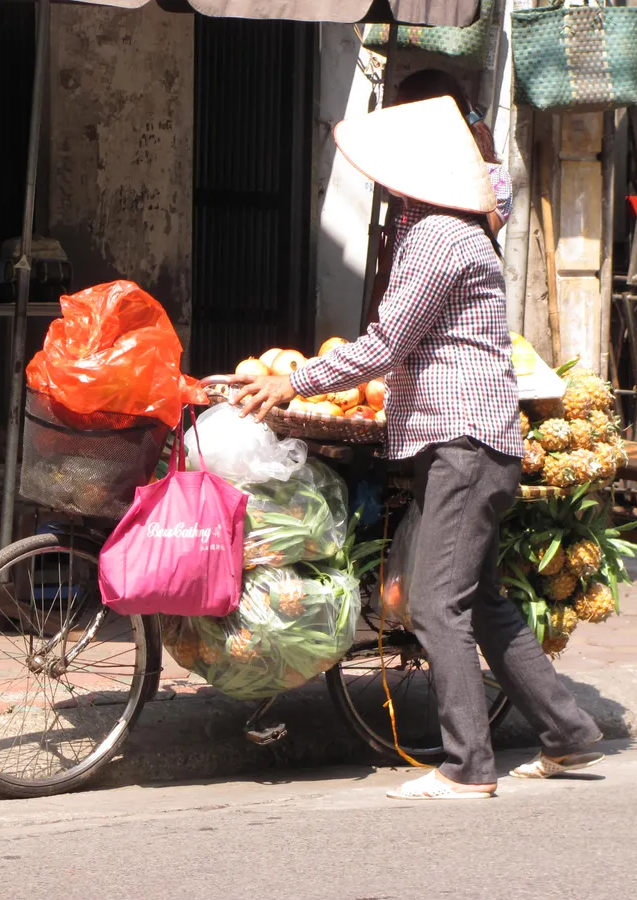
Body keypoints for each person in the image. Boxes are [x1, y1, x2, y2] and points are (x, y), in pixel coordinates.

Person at [235, 97, 603, 800]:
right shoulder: (462, 233)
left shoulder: (438, 235)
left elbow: (385, 345)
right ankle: (569, 733)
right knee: (482, 602)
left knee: (436, 604)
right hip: (477, 441)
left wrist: (295, 381)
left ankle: (468, 767)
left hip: (462, 443)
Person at [365, 69, 511, 332]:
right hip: (403, 309)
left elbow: (473, 236)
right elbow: (389, 267)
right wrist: (370, 328)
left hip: (452, 319)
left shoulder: (491, 179)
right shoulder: (408, 175)